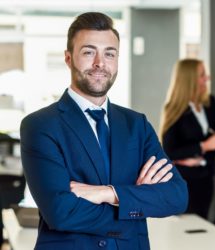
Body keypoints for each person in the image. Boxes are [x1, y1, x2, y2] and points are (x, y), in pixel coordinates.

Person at [20, 12, 188, 250]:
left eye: (109, 53)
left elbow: (176, 196)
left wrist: (108, 193)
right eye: (89, 52)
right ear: (68, 58)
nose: (100, 63)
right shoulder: (40, 125)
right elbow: (61, 212)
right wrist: (135, 204)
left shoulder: (136, 125)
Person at [159, 59, 215, 219]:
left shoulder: (210, 103)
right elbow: (169, 151)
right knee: (187, 229)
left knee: (207, 226)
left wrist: (200, 158)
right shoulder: (173, 108)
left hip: (208, 176)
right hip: (184, 180)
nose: (207, 78)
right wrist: (203, 146)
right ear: (190, 79)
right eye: (202, 75)